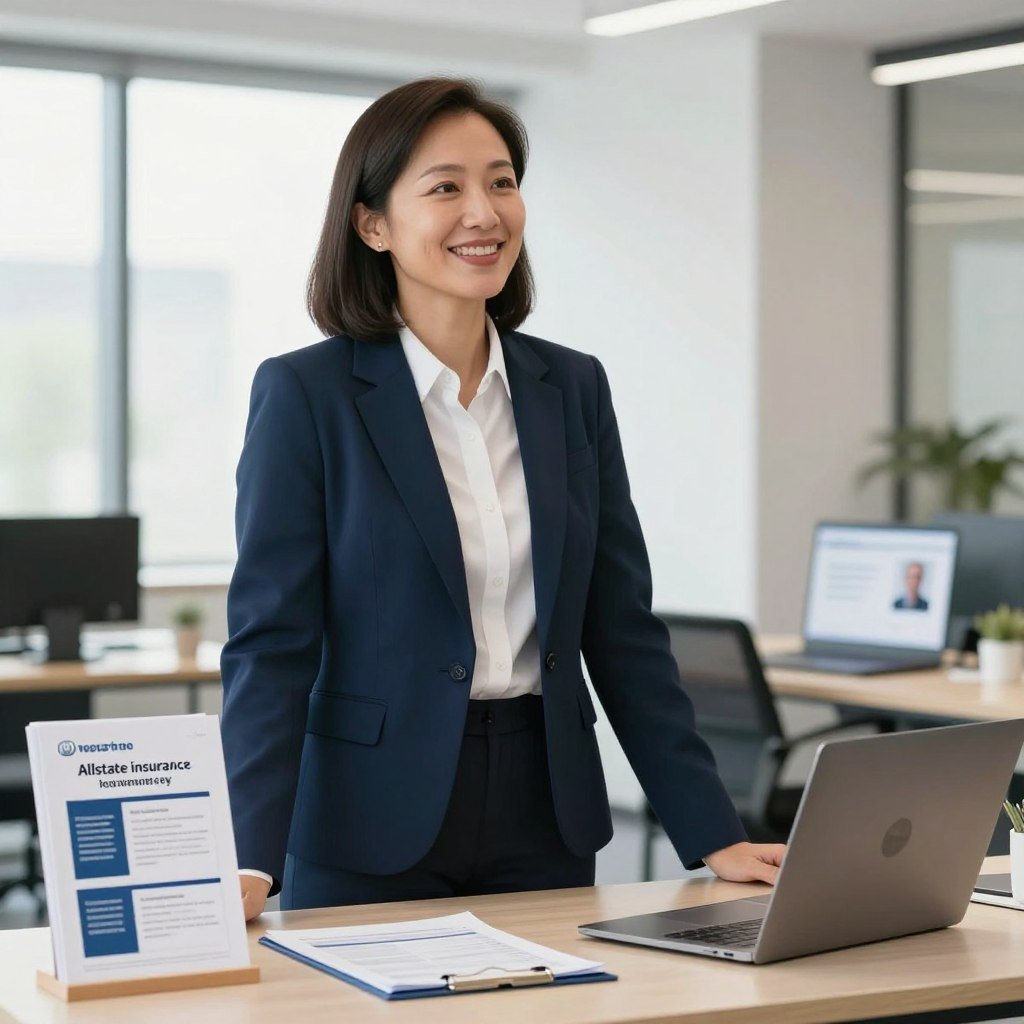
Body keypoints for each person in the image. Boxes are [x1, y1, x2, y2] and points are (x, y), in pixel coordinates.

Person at [221, 77, 785, 920]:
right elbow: (273, 645)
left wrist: (712, 830)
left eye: (502, 182)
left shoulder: (572, 388)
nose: (483, 212)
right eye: (446, 186)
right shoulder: (310, 395)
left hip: (543, 808)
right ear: (373, 223)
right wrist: (246, 858)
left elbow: (621, 628)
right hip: (368, 817)